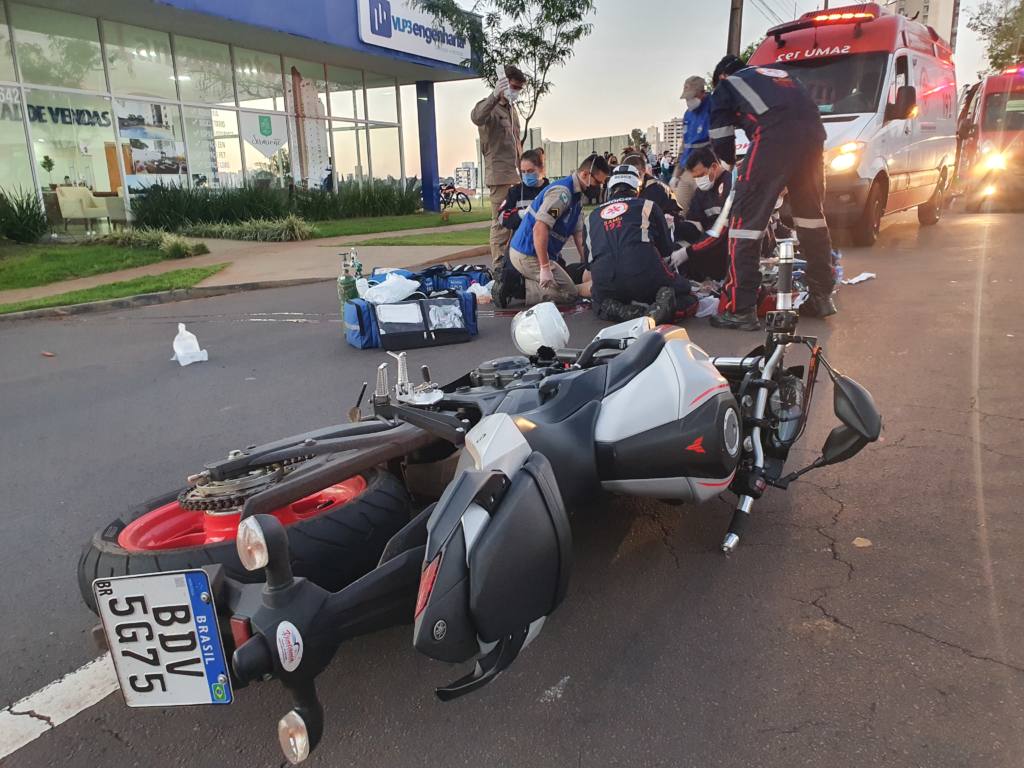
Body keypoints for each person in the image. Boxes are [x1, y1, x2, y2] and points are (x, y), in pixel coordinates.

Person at [708, 54, 836, 330]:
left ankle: (740, 308)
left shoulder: (727, 86)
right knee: (811, 219)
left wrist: (733, 168)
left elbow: (720, 136)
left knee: (744, 224)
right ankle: (821, 295)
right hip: (814, 139)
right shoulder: (781, 76)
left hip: (772, 138)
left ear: (721, 77)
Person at [585, 164, 695, 324]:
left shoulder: (591, 216)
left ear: (610, 187)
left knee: (598, 302)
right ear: (637, 187)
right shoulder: (648, 205)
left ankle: (622, 311)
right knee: (687, 293)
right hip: (643, 276)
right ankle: (662, 310)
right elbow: (666, 252)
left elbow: (588, 266)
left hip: (606, 281)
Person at [508, 154, 610, 305]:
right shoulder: (562, 195)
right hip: (528, 254)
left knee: (570, 286)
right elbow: (540, 227)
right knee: (569, 295)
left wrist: (587, 264)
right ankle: (517, 287)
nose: (599, 187)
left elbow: (579, 234)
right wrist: (544, 268)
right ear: (585, 174)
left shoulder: (576, 197)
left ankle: (562, 285)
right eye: (597, 182)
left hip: (537, 253)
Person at [471, 64, 527, 270]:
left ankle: (513, 265)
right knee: (501, 223)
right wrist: (494, 95)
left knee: (516, 223)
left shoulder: (512, 111)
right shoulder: (490, 108)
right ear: (503, 84)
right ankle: (498, 269)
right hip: (499, 177)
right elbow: (477, 117)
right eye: (513, 87)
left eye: (519, 89)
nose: (516, 92)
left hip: (515, 176)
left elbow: (517, 142)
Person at [491, 148, 551, 308]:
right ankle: (509, 286)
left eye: (530, 171)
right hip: (520, 243)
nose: (527, 175)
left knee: (559, 280)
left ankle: (529, 290)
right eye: (523, 172)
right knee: (510, 274)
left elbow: (559, 213)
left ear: (541, 169)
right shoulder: (515, 192)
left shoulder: (551, 191)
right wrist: (523, 215)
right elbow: (502, 216)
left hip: (546, 244)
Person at [671, 146, 731, 282]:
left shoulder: (730, 186)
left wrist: (689, 251)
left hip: (726, 248)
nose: (699, 180)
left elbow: (721, 231)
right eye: (695, 177)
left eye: (701, 175)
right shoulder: (702, 192)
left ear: (714, 167)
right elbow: (694, 221)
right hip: (707, 244)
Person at [671, 75, 712, 216]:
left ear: (702, 92)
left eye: (691, 97)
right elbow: (684, 146)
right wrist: (676, 175)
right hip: (687, 171)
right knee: (678, 210)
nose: (688, 101)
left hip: (706, 169)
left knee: (706, 212)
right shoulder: (688, 115)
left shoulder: (714, 107)